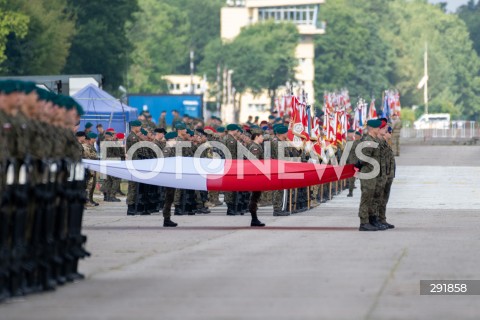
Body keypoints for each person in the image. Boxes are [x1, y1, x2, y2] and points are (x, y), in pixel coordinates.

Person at [355, 119, 382, 231]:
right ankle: (364, 222)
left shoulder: (373, 140)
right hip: (367, 173)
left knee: (371, 198)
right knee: (366, 197)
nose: (379, 129)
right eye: (377, 128)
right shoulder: (368, 141)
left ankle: (370, 220)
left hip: (372, 173)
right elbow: (363, 158)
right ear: (372, 129)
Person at [247, 132, 266, 227]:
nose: (263, 138)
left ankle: (254, 218)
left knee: (255, 197)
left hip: (257, 175)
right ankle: (254, 218)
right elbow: (254, 162)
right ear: (257, 137)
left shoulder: (257, 146)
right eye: (262, 136)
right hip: (256, 175)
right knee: (254, 197)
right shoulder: (255, 147)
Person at [271, 125, 290, 216]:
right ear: (283, 133)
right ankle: (277, 209)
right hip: (279, 169)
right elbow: (281, 157)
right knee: (278, 190)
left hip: (279, 168)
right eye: (287, 132)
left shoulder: (279, 142)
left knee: (280, 189)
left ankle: (279, 208)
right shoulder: (277, 143)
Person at [126, 120, 142, 215]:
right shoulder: (132, 137)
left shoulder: (134, 136)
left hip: (134, 163)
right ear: (135, 127)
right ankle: (130, 206)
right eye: (139, 126)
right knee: (132, 186)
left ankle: (132, 206)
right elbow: (133, 152)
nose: (139, 128)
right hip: (133, 164)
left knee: (134, 186)